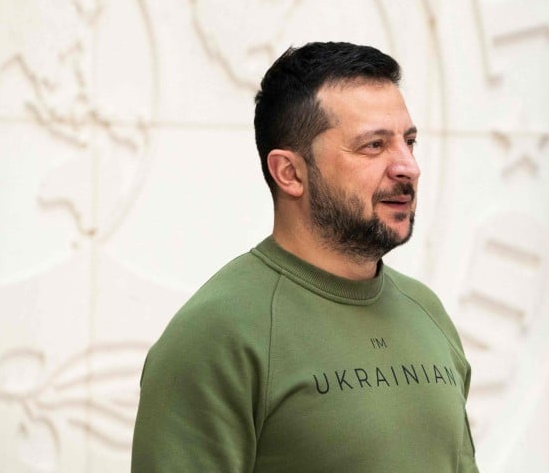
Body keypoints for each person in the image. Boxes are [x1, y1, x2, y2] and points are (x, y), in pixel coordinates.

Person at [131, 42, 478, 471]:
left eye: (409, 142)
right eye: (374, 146)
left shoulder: (427, 313)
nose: (408, 166)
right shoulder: (218, 334)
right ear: (290, 173)